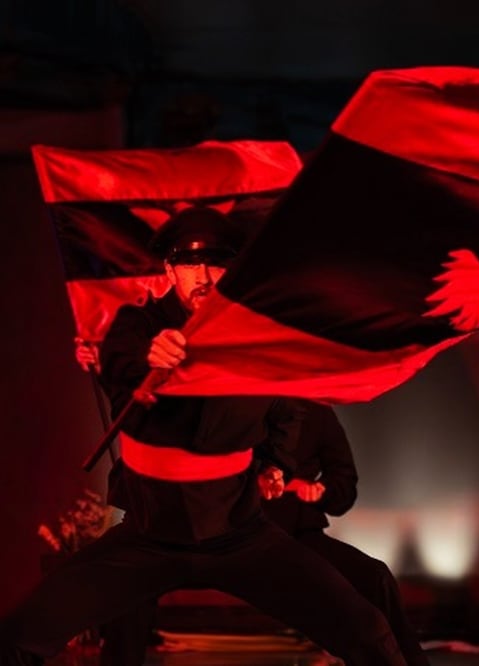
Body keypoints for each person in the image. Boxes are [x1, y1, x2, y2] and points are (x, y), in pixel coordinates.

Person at [0, 206, 405, 666]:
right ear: (170, 269)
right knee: (19, 637)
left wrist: (276, 464)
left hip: (238, 532)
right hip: (149, 535)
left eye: (217, 263)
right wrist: (151, 364)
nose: (204, 275)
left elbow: (289, 408)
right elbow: (121, 366)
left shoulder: (256, 338)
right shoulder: (137, 327)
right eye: (191, 263)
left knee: (369, 632)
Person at [98, 398, 430, 666]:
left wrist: (319, 491)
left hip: (289, 535)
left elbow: (343, 487)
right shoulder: (220, 402)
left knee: (374, 576)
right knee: (127, 584)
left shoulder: (317, 413)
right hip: (204, 530)